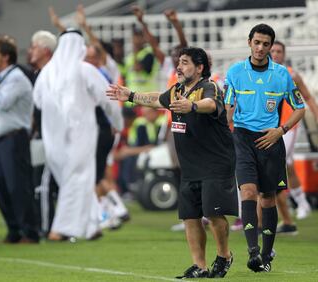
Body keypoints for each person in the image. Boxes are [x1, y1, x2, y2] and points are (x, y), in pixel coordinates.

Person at [107, 47, 237, 279]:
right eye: (179, 62)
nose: (178, 66)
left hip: (215, 164)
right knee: (190, 217)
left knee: (214, 215)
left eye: (185, 63)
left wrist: (192, 106)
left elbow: (211, 104)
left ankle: (224, 255)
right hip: (190, 166)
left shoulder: (209, 87)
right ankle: (200, 266)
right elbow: (158, 99)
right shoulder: (177, 89)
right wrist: (130, 95)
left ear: (199, 68)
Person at [224, 24, 305, 272]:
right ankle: (253, 252)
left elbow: (300, 107)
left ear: (271, 46)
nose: (260, 48)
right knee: (248, 192)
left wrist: (281, 130)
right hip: (243, 138)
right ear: (249, 42)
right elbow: (227, 109)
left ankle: (267, 253)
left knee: (268, 198)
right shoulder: (236, 72)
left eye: (265, 44)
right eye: (257, 42)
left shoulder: (281, 75)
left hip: (271, 139)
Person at [33, 29, 123, 241]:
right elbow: (108, 98)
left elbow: (36, 101)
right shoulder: (84, 70)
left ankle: (91, 225)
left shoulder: (47, 72)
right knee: (77, 178)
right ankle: (60, 229)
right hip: (80, 135)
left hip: (52, 137)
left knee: (76, 179)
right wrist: (117, 122)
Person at [0, 37, 39, 243]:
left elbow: (1, 103)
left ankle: (30, 232)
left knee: (17, 187)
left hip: (15, 138)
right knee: (1, 188)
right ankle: (14, 231)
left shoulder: (17, 78)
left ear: (5, 57)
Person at [270, 40, 316, 223]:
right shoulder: (263, 74)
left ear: (284, 54)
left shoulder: (292, 75)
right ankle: (301, 202)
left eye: (279, 51)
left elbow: (308, 97)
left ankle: (285, 205)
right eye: (272, 50)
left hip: (289, 126)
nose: (275, 54)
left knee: (278, 162)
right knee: (287, 165)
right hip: (271, 126)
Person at [29, 30, 58, 237]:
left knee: (45, 183)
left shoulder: (53, 74)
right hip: (42, 136)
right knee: (40, 182)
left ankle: (47, 227)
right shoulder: (39, 74)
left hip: (54, 137)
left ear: (46, 50)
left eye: (35, 46)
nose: (30, 51)